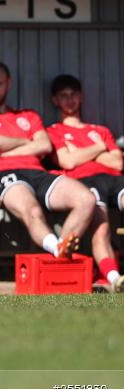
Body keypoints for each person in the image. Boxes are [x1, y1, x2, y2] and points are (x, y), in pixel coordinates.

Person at [0, 62, 96, 260]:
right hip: (3, 174)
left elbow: (44, 145)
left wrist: (6, 150)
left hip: (37, 172)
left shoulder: (28, 114)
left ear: (8, 83)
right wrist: (27, 141)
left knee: (86, 199)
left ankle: (60, 252)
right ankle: (56, 249)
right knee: (32, 209)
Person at [47, 74, 123, 292]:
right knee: (102, 228)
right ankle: (114, 277)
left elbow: (117, 162)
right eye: (64, 96)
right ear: (55, 100)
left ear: (80, 97)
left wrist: (81, 153)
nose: (69, 100)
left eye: (73, 95)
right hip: (86, 182)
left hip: (115, 179)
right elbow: (68, 161)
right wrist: (99, 148)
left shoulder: (101, 130)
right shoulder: (54, 131)